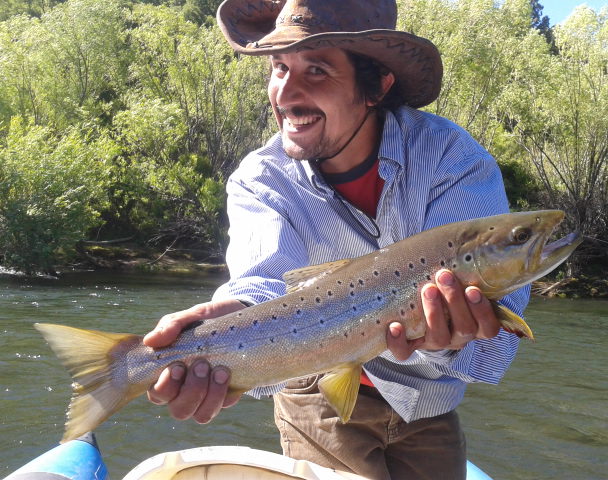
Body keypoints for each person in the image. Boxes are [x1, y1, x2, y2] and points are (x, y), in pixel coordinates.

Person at [143, 0, 530, 479]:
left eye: (317, 70)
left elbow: (494, 341)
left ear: (377, 86)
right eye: (279, 67)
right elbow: (261, 282)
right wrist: (230, 318)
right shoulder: (260, 181)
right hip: (315, 386)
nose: (285, 93)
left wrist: (444, 340)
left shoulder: (452, 160)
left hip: (427, 396)